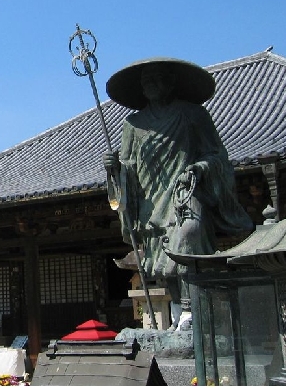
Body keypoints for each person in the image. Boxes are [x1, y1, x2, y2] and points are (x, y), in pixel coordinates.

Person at [103, 58, 254, 330]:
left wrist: (199, 167)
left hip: (186, 191)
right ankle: (179, 316)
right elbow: (127, 164)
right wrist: (115, 170)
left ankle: (192, 311)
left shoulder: (193, 114)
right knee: (163, 258)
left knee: (189, 235)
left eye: (157, 77)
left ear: (171, 81)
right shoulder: (133, 124)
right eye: (145, 79)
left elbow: (216, 155)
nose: (150, 83)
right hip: (151, 197)